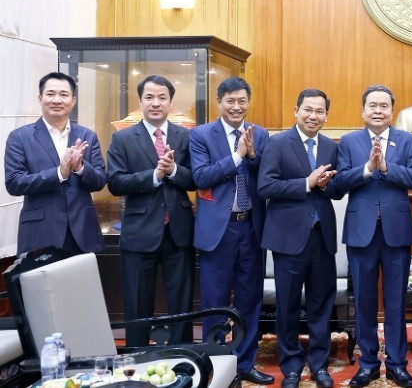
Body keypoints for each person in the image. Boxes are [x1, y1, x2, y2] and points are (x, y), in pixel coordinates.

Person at [336, 85, 412, 387]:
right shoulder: (348, 142)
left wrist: (385, 167)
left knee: (397, 301)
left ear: (392, 111)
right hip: (361, 233)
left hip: (396, 232)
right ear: (362, 111)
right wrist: (367, 169)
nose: (378, 110)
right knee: (364, 300)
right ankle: (369, 363)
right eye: (372, 105)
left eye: (384, 105)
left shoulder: (407, 141)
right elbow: (338, 185)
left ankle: (398, 364)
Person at [189, 77, 273, 384]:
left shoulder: (260, 134)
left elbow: (267, 177)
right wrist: (237, 155)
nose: (236, 107)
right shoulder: (201, 135)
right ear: (219, 102)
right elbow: (201, 177)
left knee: (250, 300)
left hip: (251, 227)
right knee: (215, 300)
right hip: (218, 232)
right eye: (230, 101)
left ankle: (245, 363)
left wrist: (252, 156)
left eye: (242, 101)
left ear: (248, 102)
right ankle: (216, 365)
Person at [257, 89, 341, 388]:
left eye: (320, 111)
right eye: (308, 110)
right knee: (288, 305)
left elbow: (336, 190)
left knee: (321, 305)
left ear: (326, 116)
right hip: (288, 238)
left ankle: (320, 365)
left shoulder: (331, 147)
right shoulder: (277, 142)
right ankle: (291, 366)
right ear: (296, 110)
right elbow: (266, 186)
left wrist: (328, 184)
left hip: (322, 238)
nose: (313, 116)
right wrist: (306, 183)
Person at [107, 75, 196, 347]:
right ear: (140, 102)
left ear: (171, 103)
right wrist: (154, 175)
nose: (155, 103)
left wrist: (174, 171)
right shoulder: (122, 139)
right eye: (149, 97)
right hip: (139, 233)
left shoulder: (185, 136)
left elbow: (195, 179)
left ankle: (182, 356)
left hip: (178, 232)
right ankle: (138, 355)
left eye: (162, 98)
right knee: (137, 303)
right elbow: (115, 182)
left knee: (181, 304)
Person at [5, 72, 106, 254]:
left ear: (73, 100)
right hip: (40, 233)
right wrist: (59, 174)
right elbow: (14, 182)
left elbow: (100, 181)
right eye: (50, 94)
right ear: (40, 98)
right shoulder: (19, 137)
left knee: (81, 283)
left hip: (82, 232)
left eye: (64, 95)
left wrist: (80, 168)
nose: (57, 100)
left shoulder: (86, 136)